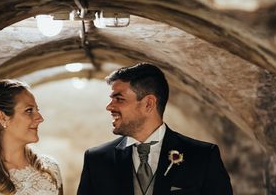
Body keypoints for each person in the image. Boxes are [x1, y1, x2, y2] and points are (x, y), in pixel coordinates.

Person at [77, 63, 233, 195]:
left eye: (119, 99)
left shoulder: (203, 157)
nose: (109, 106)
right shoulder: (97, 160)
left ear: (148, 104)